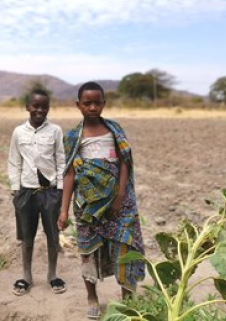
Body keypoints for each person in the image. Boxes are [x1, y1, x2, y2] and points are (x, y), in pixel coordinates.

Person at [57, 82, 145, 320]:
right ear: (78, 105)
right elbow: (69, 174)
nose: (93, 107)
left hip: (120, 204)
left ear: (104, 104)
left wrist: (119, 195)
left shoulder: (114, 130)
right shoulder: (74, 137)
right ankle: (92, 297)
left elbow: (125, 162)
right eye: (87, 103)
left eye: (98, 102)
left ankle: (128, 299)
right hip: (87, 206)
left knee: (125, 248)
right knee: (88, 250)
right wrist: (63, 211)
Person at [8, 89, 66, 296]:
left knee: (53, 235)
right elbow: (14, 161)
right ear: (27, 107)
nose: (40, 110)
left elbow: (61, 160)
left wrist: (59, 191)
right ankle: (26, 276)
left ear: (48, 108)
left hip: (50, 192)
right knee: (27, 237)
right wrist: (16, 191)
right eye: (36, 106)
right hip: (26, 192)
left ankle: (52, 275)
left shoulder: (55, 131)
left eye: (44, 106)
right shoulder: (18, 132)